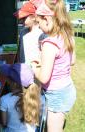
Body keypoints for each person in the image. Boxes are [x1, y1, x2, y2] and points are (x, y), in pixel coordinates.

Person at [31, 0, 76, 131]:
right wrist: (47, 63)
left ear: (46, 19)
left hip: (56, 95)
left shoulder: (49, 44)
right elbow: (71, 61)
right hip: (67, 89)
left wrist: (34, 68)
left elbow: (44, 78)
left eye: (38, 23)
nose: (39, 27)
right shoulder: (66, 34)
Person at [0, 63, 41, 132]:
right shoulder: (36, 96)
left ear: (14, 83)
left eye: (8, 78)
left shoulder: (4, 100)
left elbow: (4, 123)